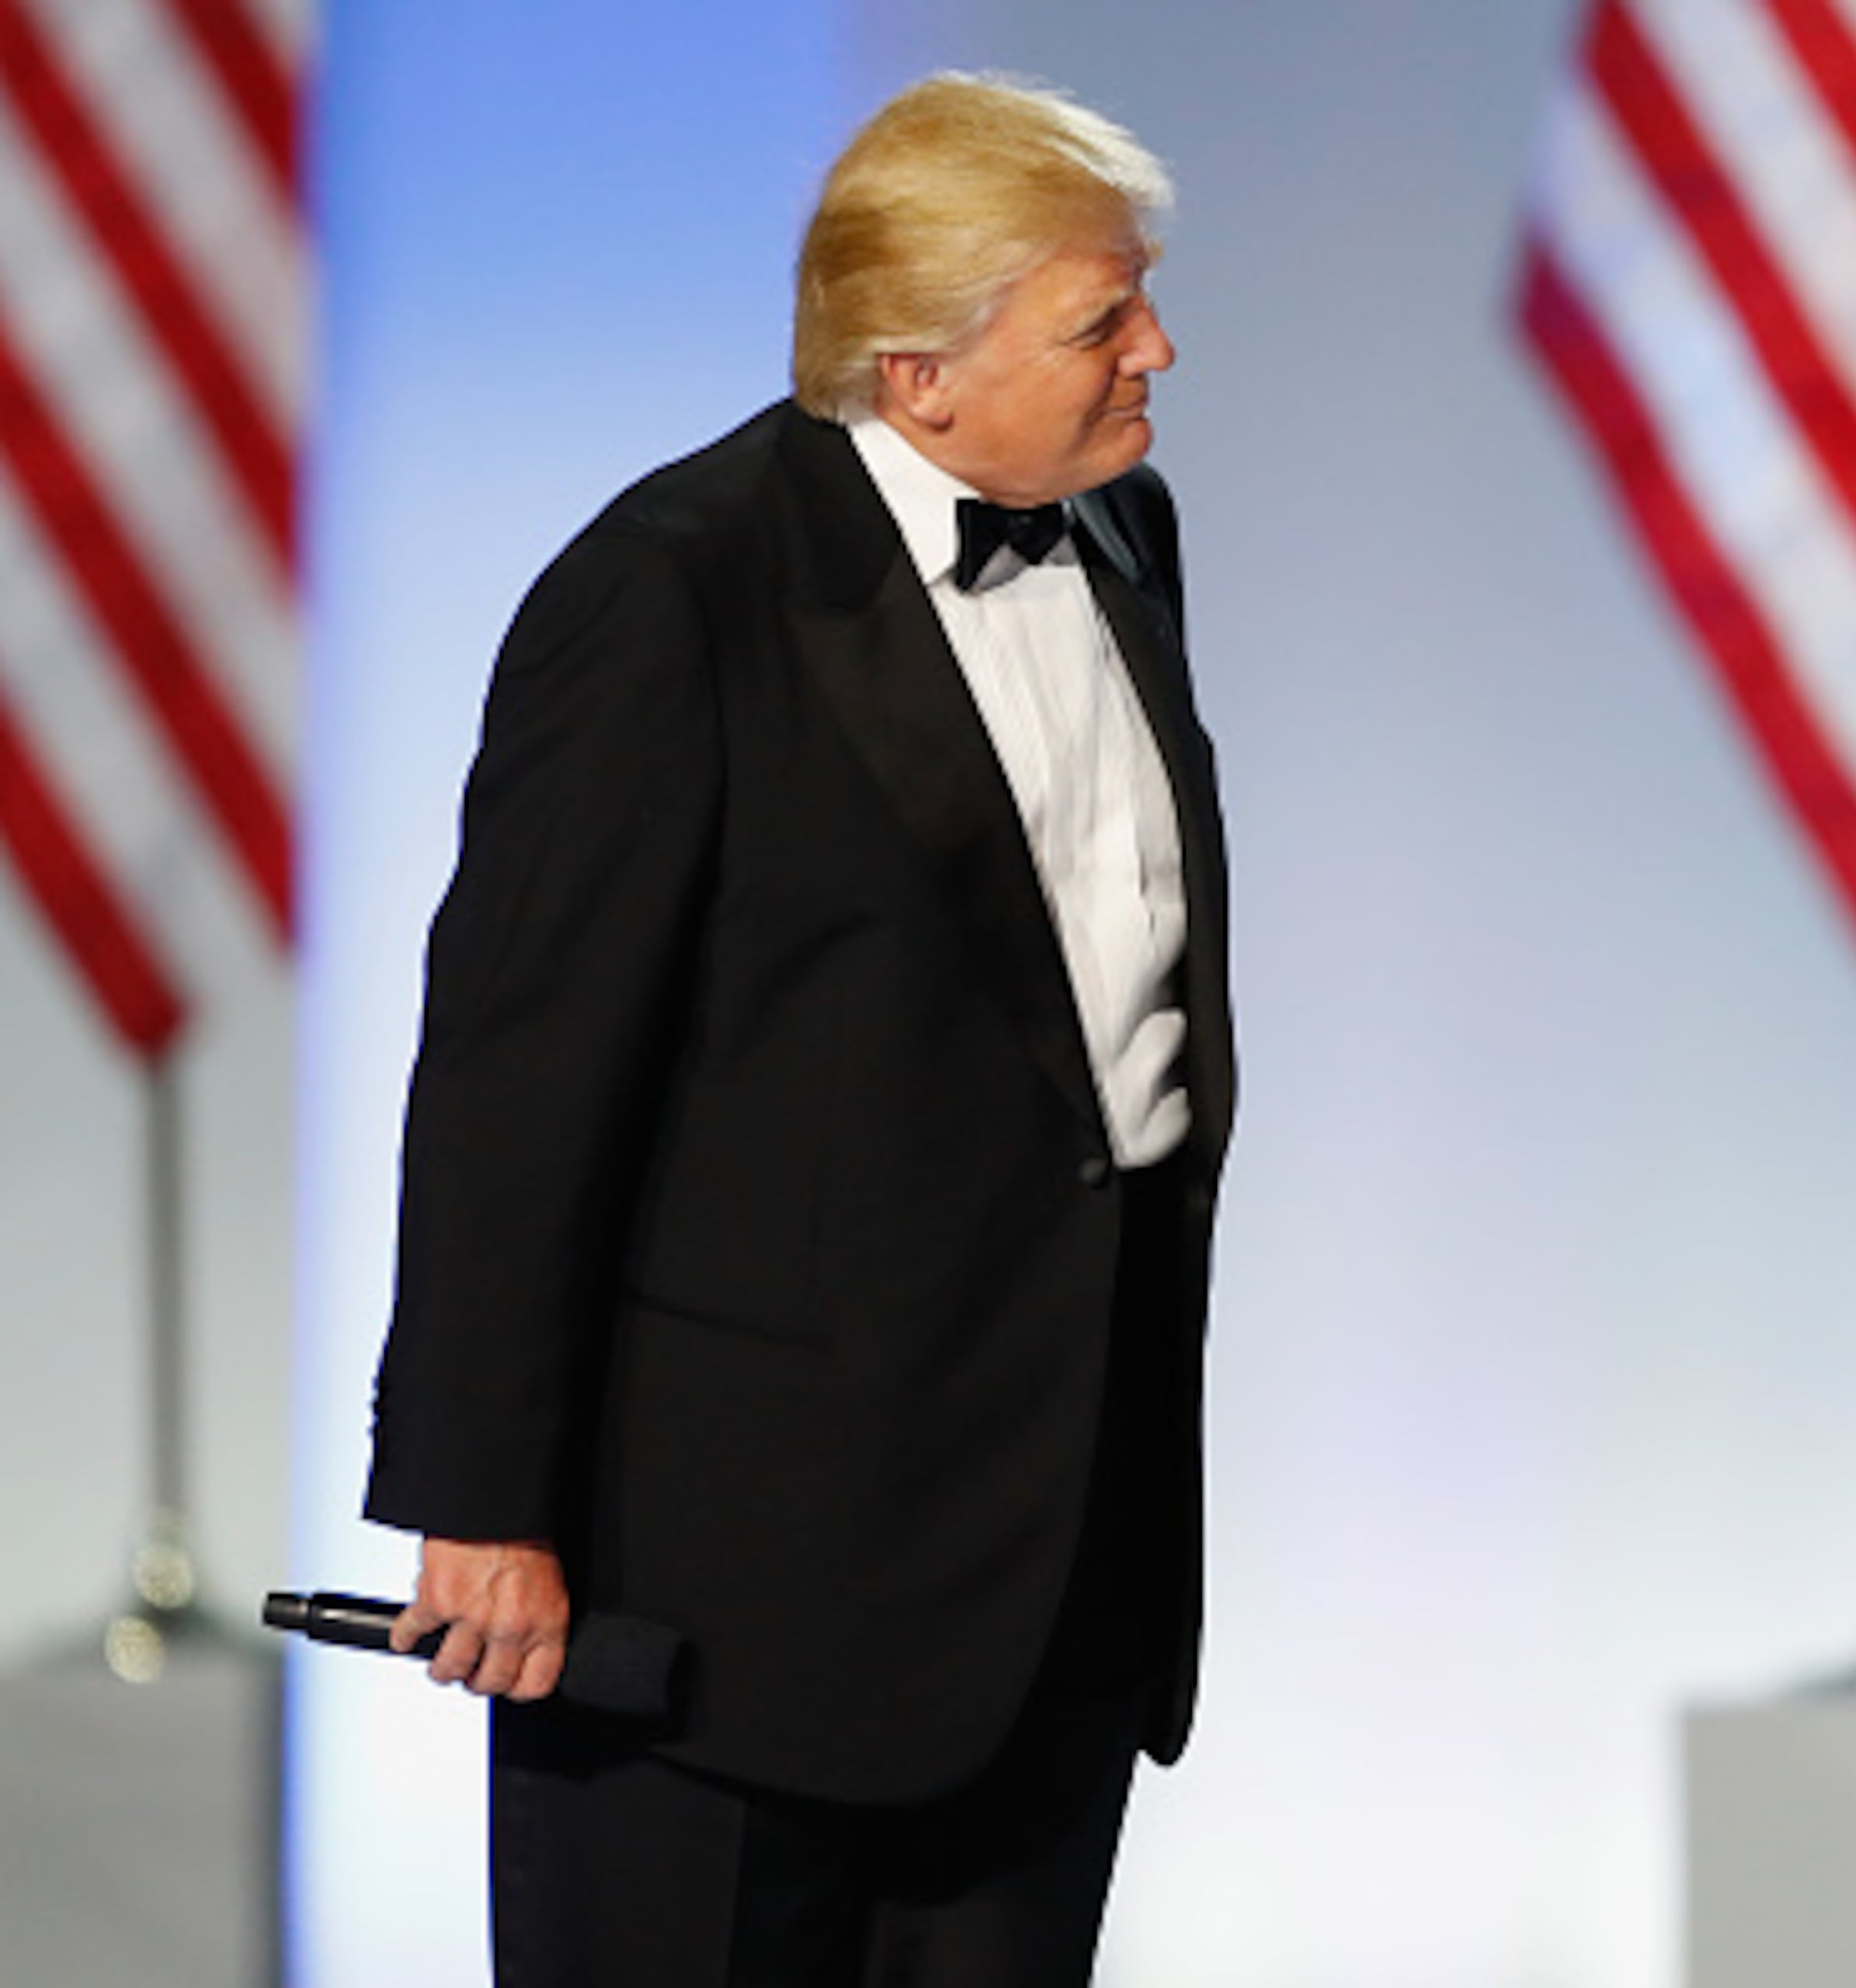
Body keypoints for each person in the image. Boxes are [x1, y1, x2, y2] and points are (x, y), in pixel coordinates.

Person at [359, 72, 1234, 1986]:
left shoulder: (1127, 537)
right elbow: (520, 1066)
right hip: (725, 1606)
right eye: (1103, 318)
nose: (1158, 347)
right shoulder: (671, 590)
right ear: (918, 373)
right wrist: (480, 1505)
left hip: (1054, 1570)